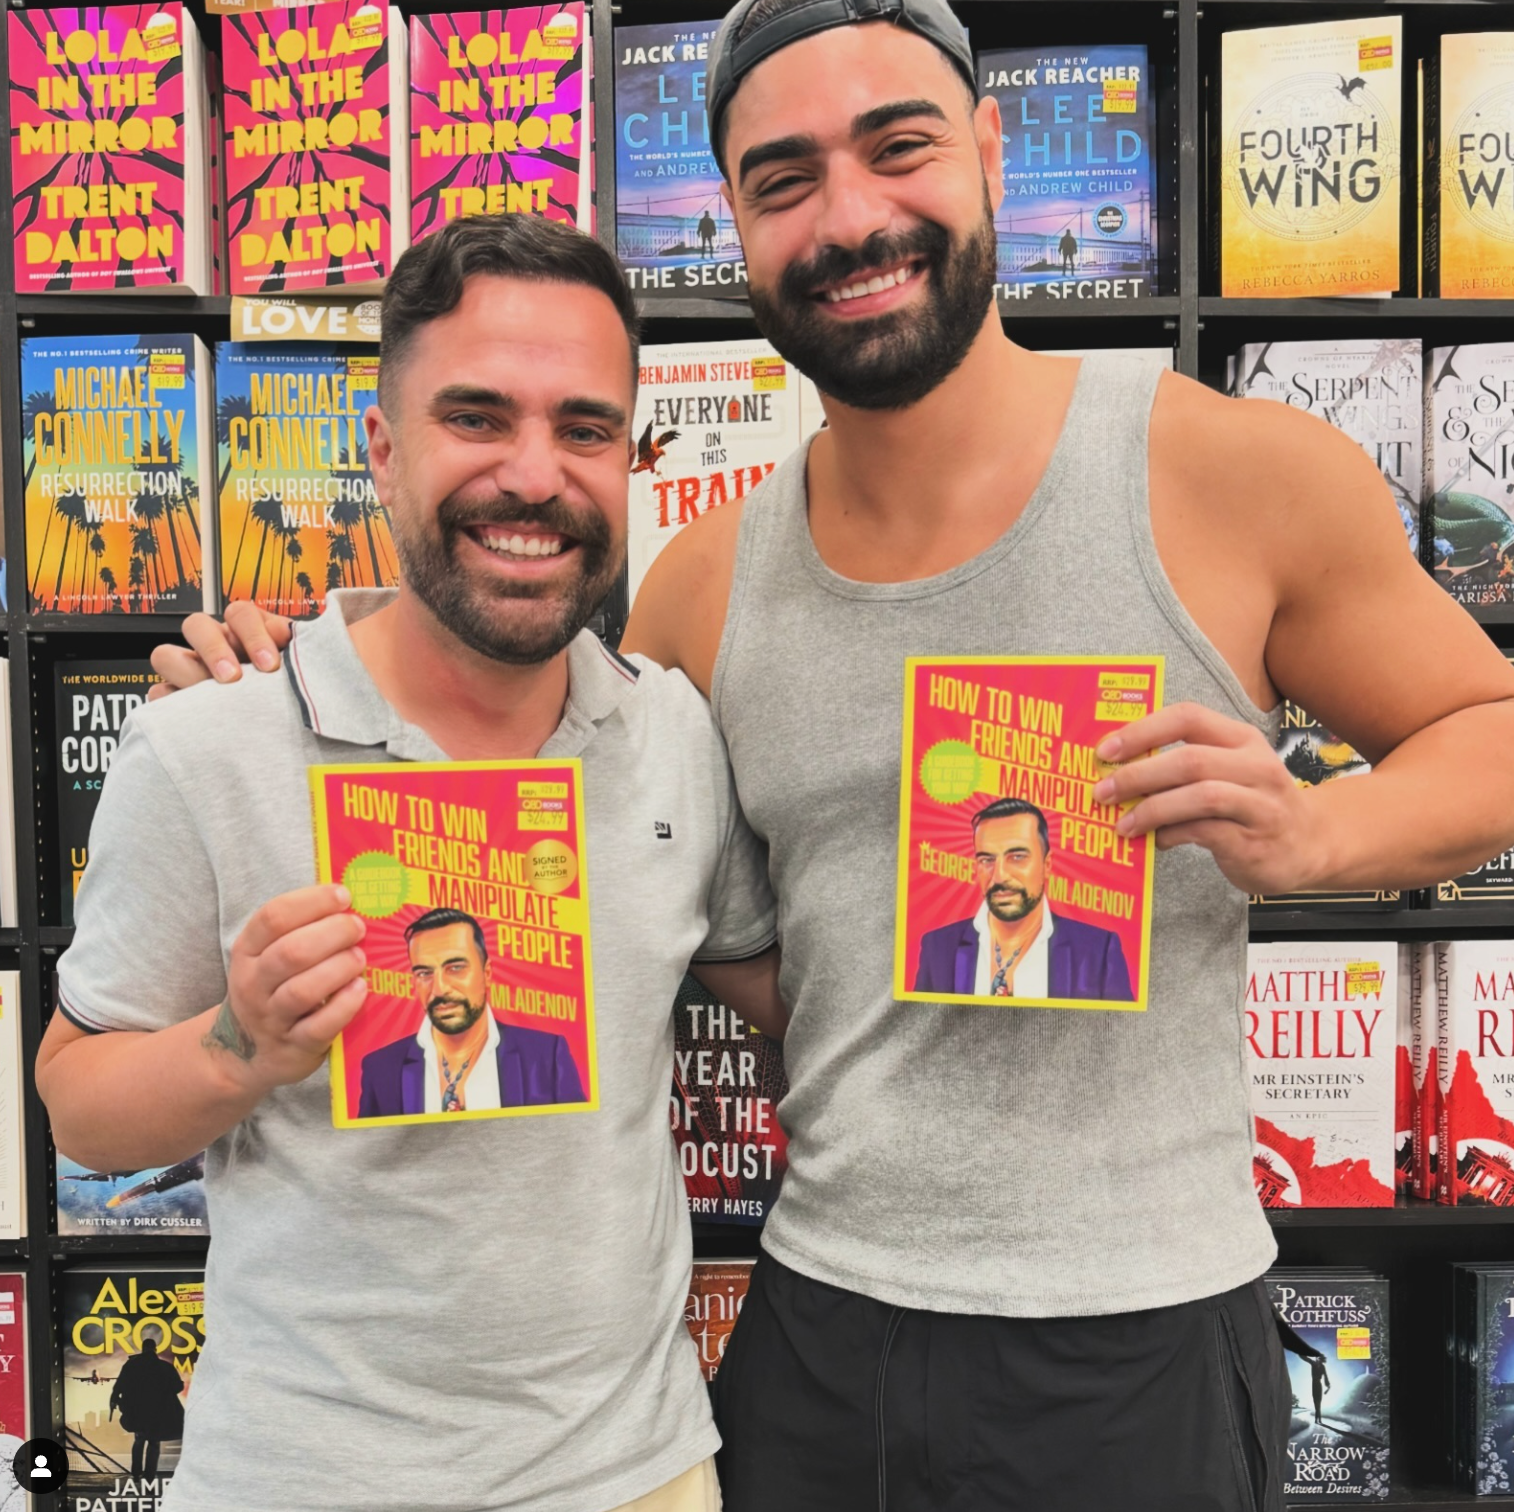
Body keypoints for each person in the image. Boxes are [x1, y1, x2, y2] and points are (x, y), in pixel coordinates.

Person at [159, 0, 1514, 1504]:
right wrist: (280, 674)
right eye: (783, 177)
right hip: (818, 1327)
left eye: (898, 147)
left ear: (993, 153)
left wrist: (1318, 840)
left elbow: (1490, 730)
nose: (849, 217)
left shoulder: (1227, 470)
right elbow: (517, 766)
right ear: (730, 223)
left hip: (1136, 1338)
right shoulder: (701, 582)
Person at [37, 213, 785, 1512]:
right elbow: (78, 1107)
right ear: (381, 450)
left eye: (585, 429)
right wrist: (243, 1046)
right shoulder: (209, 742)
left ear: (628, 458)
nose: (535, 474)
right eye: (479, 418)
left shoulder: (671, 736)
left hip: (637, 1471)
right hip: (306, 1479)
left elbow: (802, 1002)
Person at [357, 907, 585, 1117]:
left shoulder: (546, 1058)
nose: (439, 989)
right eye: (424, 973)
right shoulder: (380, 1070)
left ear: (487, 973)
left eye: (455, 968)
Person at [912, 797, 1132, 1000]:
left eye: (1017, 857)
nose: (999, 876)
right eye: (987, 860)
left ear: (1047, 865)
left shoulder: (1098, 951)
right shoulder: (937, 948)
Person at [109, 1337, 185, 1481]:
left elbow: (119, 1386)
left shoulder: (131, 1365)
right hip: (158, 1412)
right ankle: (149, 1476)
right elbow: (178, 1387)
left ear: (143, 1348)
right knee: (154, 1443)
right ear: (155, 1349)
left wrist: (114, 1400)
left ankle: (136, 1473)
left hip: (137, 1411)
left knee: (139, 1440)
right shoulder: (165, 1367)